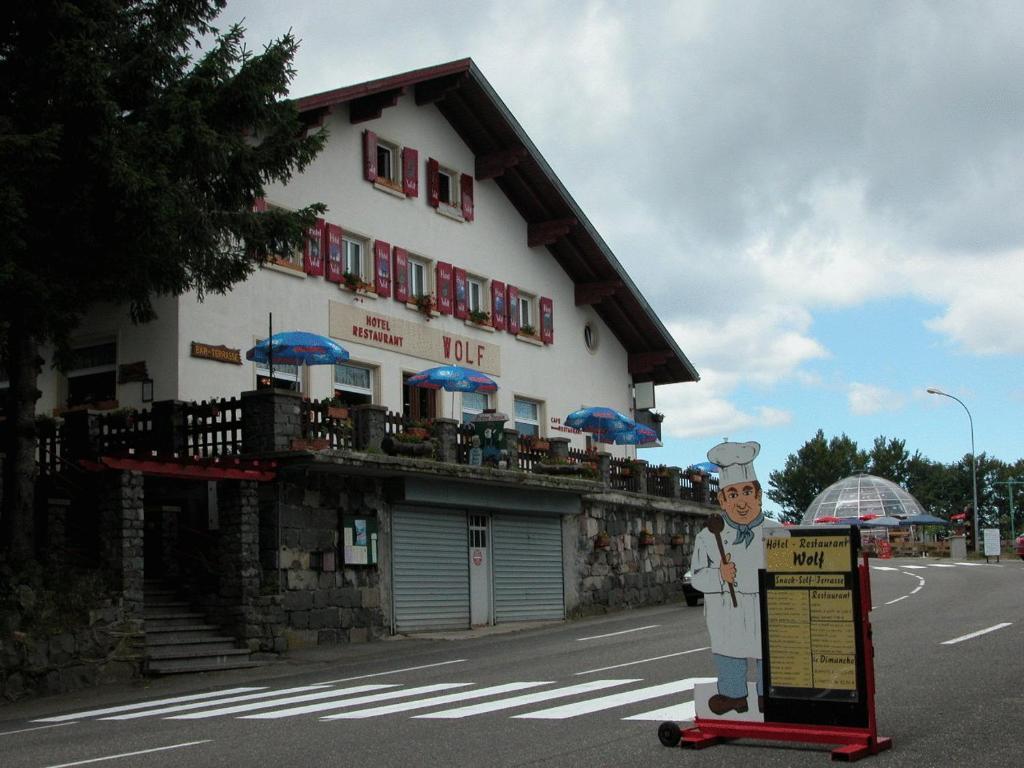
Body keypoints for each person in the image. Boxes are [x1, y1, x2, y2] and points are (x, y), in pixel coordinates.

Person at [689, 440, 766, 715]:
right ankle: (733, 695)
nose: (741, 501)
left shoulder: (775, 533)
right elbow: (695, 576)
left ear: (758, 495)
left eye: (747, 492)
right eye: (732, 495)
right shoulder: (708, 537)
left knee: (768, 652)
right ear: (722, 500)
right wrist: (719, 576)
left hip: (763, 607)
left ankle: (769, 695)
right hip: (727, 610)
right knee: (730, 653)